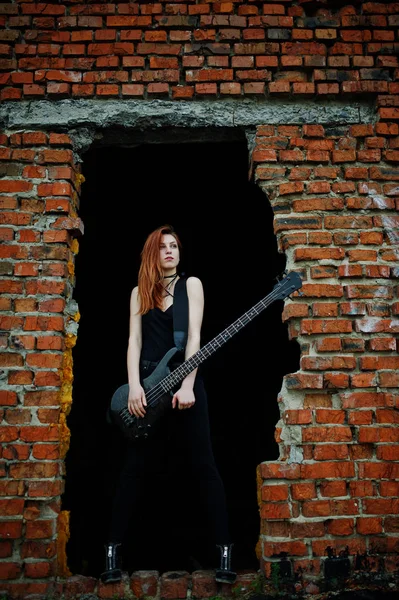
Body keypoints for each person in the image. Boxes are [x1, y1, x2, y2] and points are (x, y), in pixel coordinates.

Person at [101, 224, 236, 585]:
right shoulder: (138, 293)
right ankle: (112, 552)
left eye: (175, 245)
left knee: (204, 466)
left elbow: (194, 337)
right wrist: (133, 387)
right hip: (146, 387)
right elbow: (133, 342)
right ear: (152, 253)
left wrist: (189, 385)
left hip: (185, 384)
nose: (171, 251)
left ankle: (224, 552)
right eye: (163, 247)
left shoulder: (191, 285)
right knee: (134, 469)